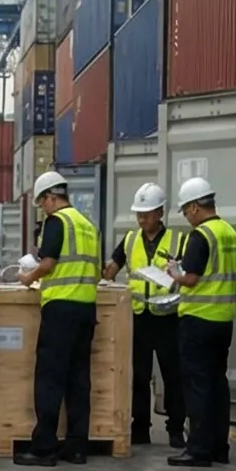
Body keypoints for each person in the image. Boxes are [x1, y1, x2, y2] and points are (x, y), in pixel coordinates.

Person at [15, 170, 102, 466]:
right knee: (79, 380)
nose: (43, 208)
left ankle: (45, 448)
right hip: (86, 309)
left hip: (60, 310)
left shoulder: (57, 221)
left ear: (52, 197)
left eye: (43, 202)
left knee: (50, 379)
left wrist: (28, 277)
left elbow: (48, 262)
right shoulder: (88, 225)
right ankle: (77, 447)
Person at [101, 182, 187, 448]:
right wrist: (106, 271)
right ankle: (140, 429)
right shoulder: (129, 239)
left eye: (147, 213)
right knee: (138, 376)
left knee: (173, 375)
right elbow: (111, 270)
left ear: (160, 212)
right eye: (139, 214)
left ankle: (175, 428)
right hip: (139, 317)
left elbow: (188, 275)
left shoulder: (178, 240)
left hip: (168, 317)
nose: (141, 219)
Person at [167, 176, 236, 468]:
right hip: (223, 320)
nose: (187, 217)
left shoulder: (201, 235)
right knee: (217, 385)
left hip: (198, 320)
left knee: (197, 386)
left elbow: (192, 277)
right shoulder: (229, 233)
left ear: (196, 207)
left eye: (186, 211)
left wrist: (174, 272)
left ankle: (197, 448)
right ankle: (218, 446)